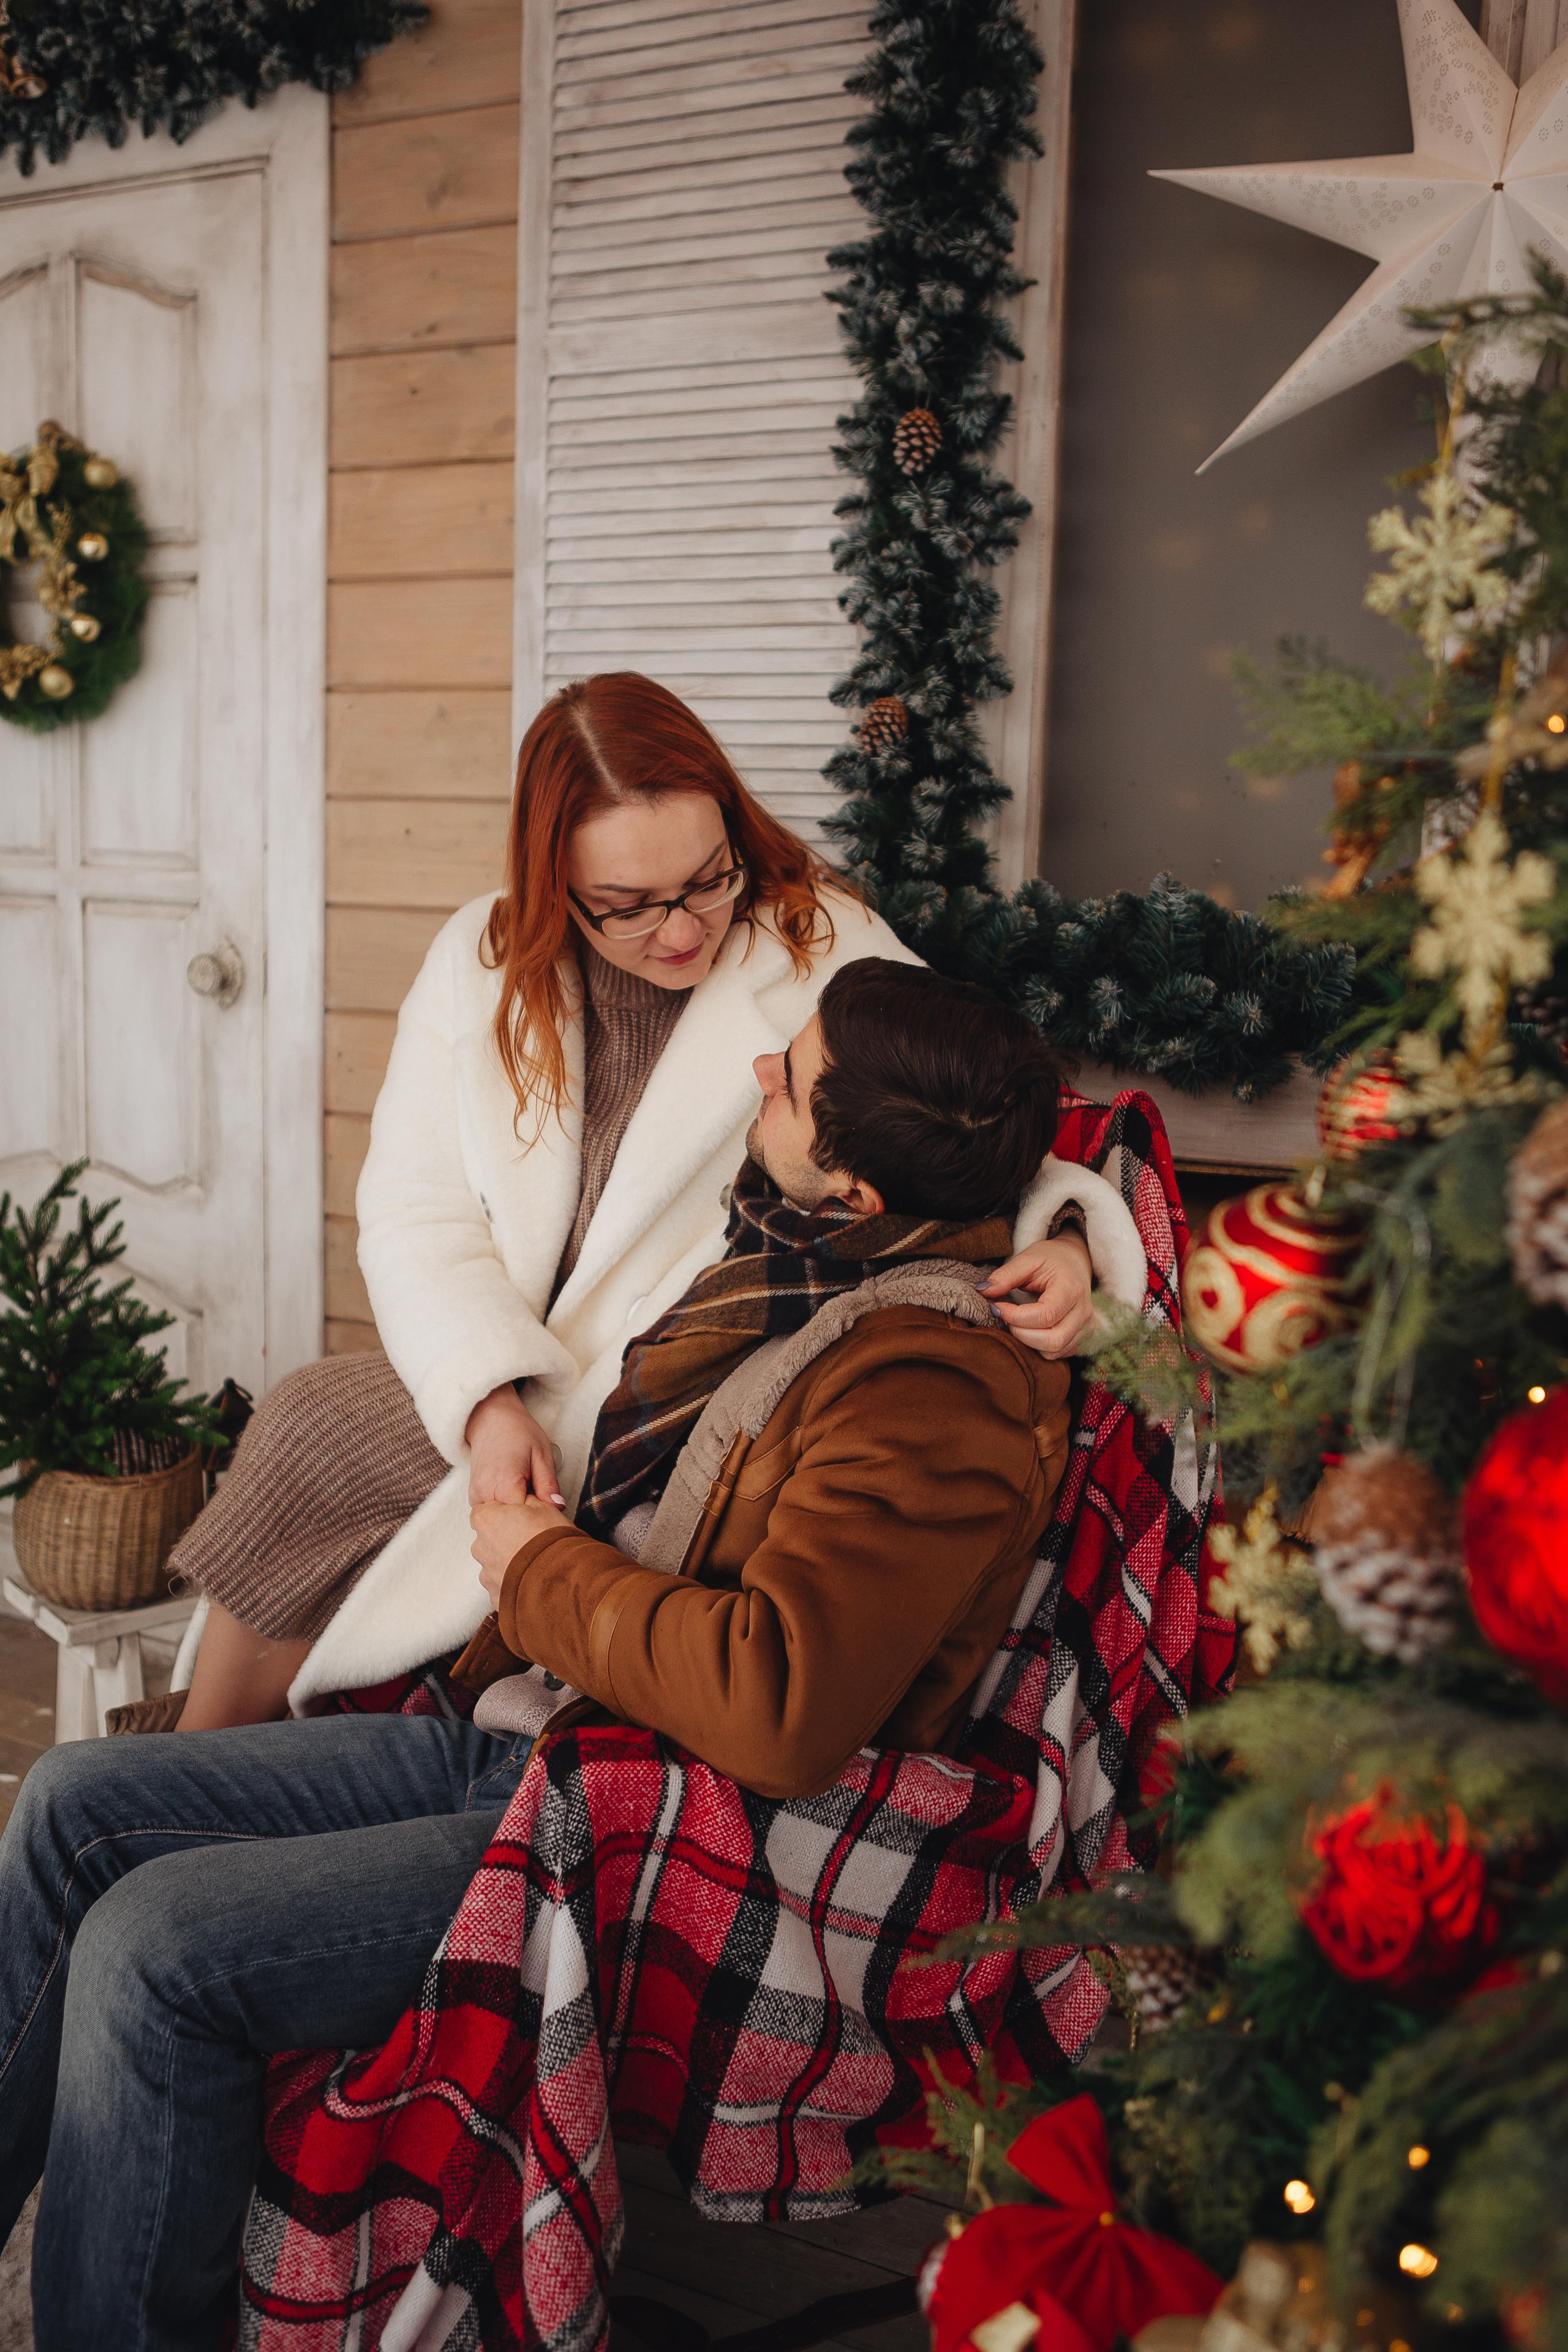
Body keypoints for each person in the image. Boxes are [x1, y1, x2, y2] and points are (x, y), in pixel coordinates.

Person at [0, 959, 1142, 2350]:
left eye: (788, 1074)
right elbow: (1024, 1137)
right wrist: (1077, 1224)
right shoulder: (813, 1240)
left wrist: (539, 1572)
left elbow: (779, 1707)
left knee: (156, 1949)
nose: (757, 1074)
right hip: (538, 1730)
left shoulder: (933, 1387)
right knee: (72, 1803)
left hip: (631, 1831)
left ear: (854, 1188)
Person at [142, 673, 1102, 1735]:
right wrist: (486, 1397)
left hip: (681, 1391)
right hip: (511, 1369)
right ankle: (201, 1767)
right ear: (553, 881)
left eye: (706, 881)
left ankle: (199, 1782)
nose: (684, 933)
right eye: (629, 907)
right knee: (312, 1429)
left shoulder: (820, 944)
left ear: (736, 834)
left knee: (317, 1430)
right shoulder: (480, 961)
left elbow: (970, 1123)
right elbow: (416, 1208)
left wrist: (1066, 1238)